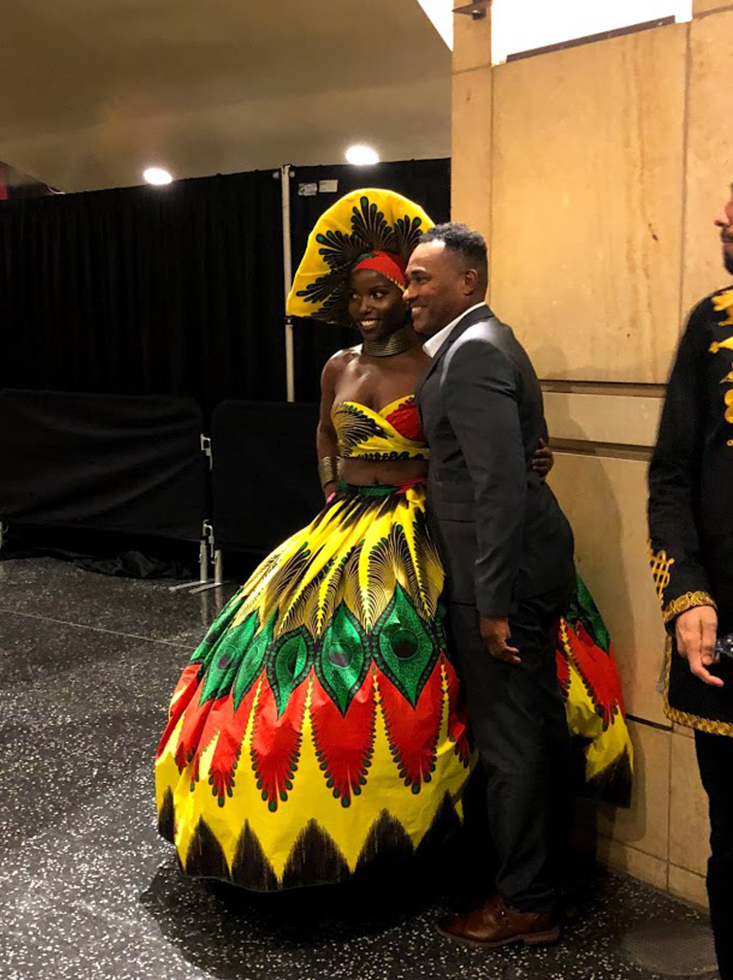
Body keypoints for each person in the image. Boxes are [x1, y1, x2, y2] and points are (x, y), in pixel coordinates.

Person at [155, 190, 631, 896]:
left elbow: (479, 456)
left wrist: (525, 456)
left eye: (399, 285)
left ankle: (467, 855)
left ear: (457, 283)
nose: (383, 301)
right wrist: (331, 489)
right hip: (344, 524)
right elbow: (325, 434)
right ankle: (310, 835)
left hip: (426, 534)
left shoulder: (446, 359)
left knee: (433, 689)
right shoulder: (342, 367)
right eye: (370, 291)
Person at [404, 223, 578, 947]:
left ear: (467, 282)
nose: (409, 292)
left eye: (421, 278)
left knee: (510, 741)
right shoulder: (487, 341)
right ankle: (532, 877)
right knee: (527, 732)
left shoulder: (472, 352)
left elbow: (499, 488)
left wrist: (494, 604)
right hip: (513, 567)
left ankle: (524, 901)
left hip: (496, 578)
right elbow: (517, 457)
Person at [647, 183, 733, 980]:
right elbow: (669, 476)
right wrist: (687, 595)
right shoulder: (711, 324)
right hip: (724, 640)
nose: (720, 217)